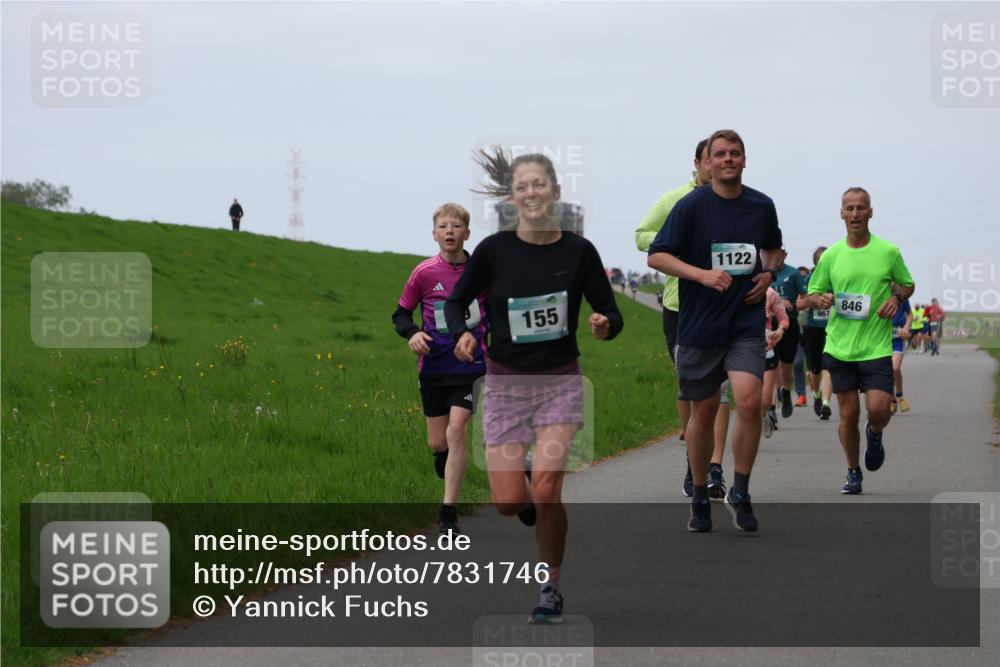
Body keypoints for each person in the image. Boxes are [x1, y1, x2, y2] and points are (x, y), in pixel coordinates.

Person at [446, 146, 623, 624]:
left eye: (538, 184)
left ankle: (550, 588)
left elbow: (611, 311)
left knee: (546, 492)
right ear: (512, 197)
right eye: (521, 186)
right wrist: (462, 333)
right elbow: (456, 302)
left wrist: (606, 324)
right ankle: (522, 480)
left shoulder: (578, 251)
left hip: (559, 382)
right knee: (509, 503)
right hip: (506, 385)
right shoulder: (493, 250)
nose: (530, 192)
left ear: (555, 191)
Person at [648, 129, 783, 533]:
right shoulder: (691, 206)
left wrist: (768, 274)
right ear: (707, 162)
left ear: (744, 160)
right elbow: (657, 255)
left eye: (734, 153)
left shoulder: (761, 205)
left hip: (744, 323)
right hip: (700, 325)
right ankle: (700, 492)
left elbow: (773, 247)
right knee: (704, 412)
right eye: (720, 153)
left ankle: (740, 490)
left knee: (750, 401)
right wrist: (701, 275)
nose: (727, 159)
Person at [635, 138, 731, 500]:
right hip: (681, 306)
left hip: (724, 304)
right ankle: (695, 460)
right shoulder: (674, 199)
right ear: (698, 163)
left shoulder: (735, 201)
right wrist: (676, 241)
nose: (716, 164)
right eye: (710, 158)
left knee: (720, 388)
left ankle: (715, 466)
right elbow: (642, 236)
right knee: (691, 386)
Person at [807, 187, 914, 495]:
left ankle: (875, 432)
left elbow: (908, 284)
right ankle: (853, 471)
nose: (855, 213)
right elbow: (813, 292)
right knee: (848, 414)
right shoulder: (831, 255)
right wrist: (820, 299)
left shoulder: (888, 252)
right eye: (849, 208)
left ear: (870, 212)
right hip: (840, 347)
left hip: (876, 347)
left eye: (860, 208)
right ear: (841, 214)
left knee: (879, 410)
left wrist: (896, 298)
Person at [393, 203, 488, 534]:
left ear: (467, 233)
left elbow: (498, 311)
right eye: (444, 226)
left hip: (472, 366)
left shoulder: (481, 273)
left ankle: (448, 512)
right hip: (433, 366)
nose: (450, 231)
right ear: (434, 234)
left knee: (457, 428)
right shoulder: (424, 273)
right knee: (438, 442)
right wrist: (412, 333)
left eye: (456, 226)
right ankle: (443, 458)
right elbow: (401, 314)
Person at [771, 249, 809, 419]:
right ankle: (771, 407)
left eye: (778, 253)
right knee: (770, 367)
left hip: (789, 324)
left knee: (785, 368)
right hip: (767, 325)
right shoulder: (762, 274)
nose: (775, 257)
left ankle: (785, 393)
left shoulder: (793, 274)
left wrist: (793, 305)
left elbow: (806, 299)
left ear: (784, 254)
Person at [803, 247, 834, 420]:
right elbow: (801, 301)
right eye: (820, 258)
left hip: (832, 328)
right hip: (813, 328)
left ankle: (826, 404)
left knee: (827, 366)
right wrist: (815, 300)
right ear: (815, 261)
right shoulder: (810, 278)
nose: (823, 261)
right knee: (814, 369)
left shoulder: (836, 276)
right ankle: (816, 394)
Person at [762, 286, 789, 438]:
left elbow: (783, 319)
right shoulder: (736, 288)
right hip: (743, 351)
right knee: (748, 400)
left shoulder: (770, 293)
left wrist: (780, 330)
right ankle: (750, 436)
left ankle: (765, 416)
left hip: (766, 349)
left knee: (765, 401)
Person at [890, 289, 913, 414]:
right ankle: (892, 400)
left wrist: (906, 327)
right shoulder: (878, 292)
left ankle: (900, 396)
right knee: (885, 372)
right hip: (880, 339)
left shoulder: (901, 296)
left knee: (895, 368)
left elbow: (909, 314)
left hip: (897, 339)